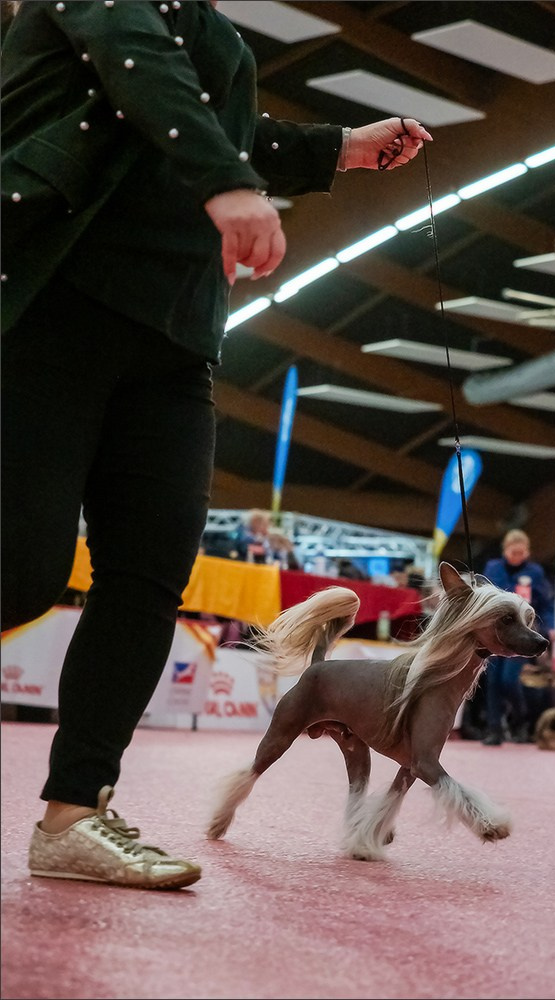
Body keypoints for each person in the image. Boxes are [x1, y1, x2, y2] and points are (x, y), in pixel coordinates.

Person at [1, 0, 432, 890]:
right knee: (19, 568)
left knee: (150, 572)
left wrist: (336, 148)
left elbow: (211, 119)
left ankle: (74, 816)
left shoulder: (209, 30)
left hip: (172, 338)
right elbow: (136, 67)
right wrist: (228, 185)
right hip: (49, 309)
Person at [477, 529, 555, 745]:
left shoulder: (535, 572)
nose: (517, 557)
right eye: (513, 553)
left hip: (522, 631)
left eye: (521, 553)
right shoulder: (493, 568)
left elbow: (546, 604)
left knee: (509, 680)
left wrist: (550, 626)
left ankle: (520, 721)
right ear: (505, 551)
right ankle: (494, 729)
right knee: (493, 681)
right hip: (495, 632)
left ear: (527, 552)